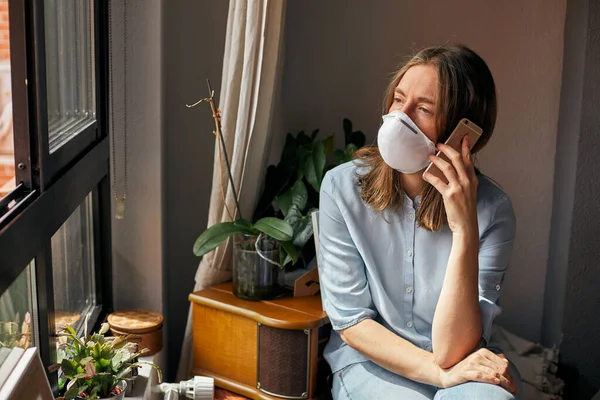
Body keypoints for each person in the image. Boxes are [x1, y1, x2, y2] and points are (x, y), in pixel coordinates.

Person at [317, 44, 521, 399]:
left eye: (423, 108)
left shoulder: (494, 210)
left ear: (464, 134)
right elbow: (352, 322)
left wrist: (464, 230)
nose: (400, 116)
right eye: (399, 100)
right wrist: (437, 376)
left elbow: (452, 352)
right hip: (371, 361)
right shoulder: (340, 188)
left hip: (460, 356)